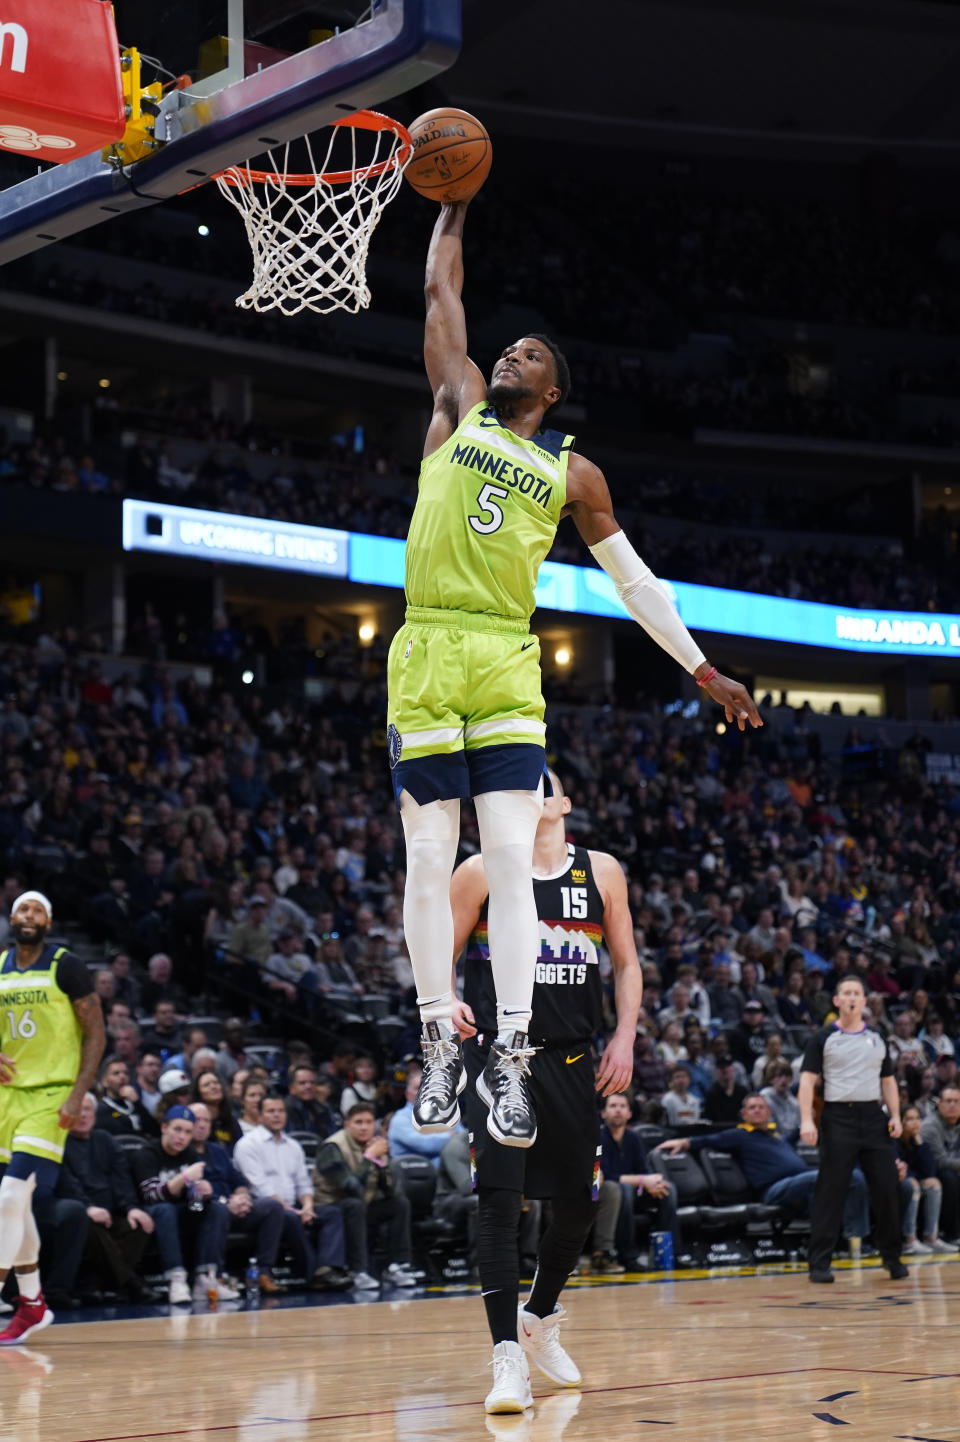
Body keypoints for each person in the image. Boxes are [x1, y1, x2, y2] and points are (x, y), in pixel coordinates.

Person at [391, 200, 761, 1152]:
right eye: (507, 349)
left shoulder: (573, 473)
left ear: (554, 390)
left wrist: (701, 666)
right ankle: (439, 1035)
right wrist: (457, 202)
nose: (510, 357)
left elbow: (634, 579)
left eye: (530, 356)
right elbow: (441, 287)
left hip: (508, 656)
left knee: (512, 863)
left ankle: (507, 1055)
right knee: (434, 861)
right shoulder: (456, 407)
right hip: (428, 646)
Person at [449, 767, 641, 1413]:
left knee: (581, 1205)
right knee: (500, 1205)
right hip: (499, 1057)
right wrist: (443, 1000)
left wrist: (625, 1039)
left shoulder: (603, 871)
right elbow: (434, 953)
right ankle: (506, 1359)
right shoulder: (478, 871)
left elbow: (627, 962)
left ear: (560, 800)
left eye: (536, 782)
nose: (524, 791)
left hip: (576, 1056)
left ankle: (540, 1314)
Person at [0, 889, 105, 1343]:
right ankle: (32, 1304)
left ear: (48, 921)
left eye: (38, 909)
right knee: (17, 1205)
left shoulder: (66, 964)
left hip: (52, 1095)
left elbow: (96, 1034)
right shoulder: (0, 966)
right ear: (11, 917)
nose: (29, 915)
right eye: (23, 908)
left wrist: (78, 1093)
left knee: (7, 1197)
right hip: (7, 1098)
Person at [798, 974, 907, 1283]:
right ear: (836, 1000)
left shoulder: (877, 1037)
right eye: (845, 993)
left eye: (856, 993)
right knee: (830, 1191)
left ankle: (892, 1257)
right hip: (838, 1118)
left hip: (873, 1117)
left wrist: (895, 1116)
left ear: (863, 1001)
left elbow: (888, 1081)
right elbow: (807, 1080)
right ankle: (819, 1263)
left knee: (887, 1187)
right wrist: (807, 1119)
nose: (850, 998)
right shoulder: (822, 1038)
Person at [661, 1092, 869, 1240]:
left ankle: (855, 1239)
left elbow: (790, 1140)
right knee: (821, 1176)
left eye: (761, 1107)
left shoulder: (775, 1137)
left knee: (855, 1176)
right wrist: (684, 1142)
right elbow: (709, 1140)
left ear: (769, 1112)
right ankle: (832, 1239)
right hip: (774, 1190)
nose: (758, 1111)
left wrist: (807, 1122)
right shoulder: (740, 1135)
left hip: (800, 1185)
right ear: (744, 1115)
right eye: (752, 1108)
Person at [233, 1094, 352, 1292]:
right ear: (260, 1115)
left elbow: (303, 1184)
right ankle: (313, 1273)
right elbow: (260, 1187)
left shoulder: (293, 1146)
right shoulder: (248, 1145)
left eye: (280, 1111)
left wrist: (307, 1207)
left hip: (293, 1206)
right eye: (271, 1111)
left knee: (332, 1213)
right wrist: (294, 1210)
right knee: (287, 1215)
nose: (277, 1115)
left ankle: (328, 1268)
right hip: (262, 1209)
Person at [127, 1104, 236, 1304]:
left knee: (216, 1209)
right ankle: (177, 1279)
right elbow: (151, 1195)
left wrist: (202, 1193)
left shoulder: (190, 1154)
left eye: (187, 1132)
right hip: (150, 1213)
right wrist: (184, 1178)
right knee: (165, 1209)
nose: (182, 1137)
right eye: (177, 1130)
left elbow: (192, 1201)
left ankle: (206, 1277)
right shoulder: (147, 1154)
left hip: (181, 1211)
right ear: (164, 1128)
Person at [61, 1093, 158, 1303]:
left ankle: (94, 1282)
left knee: (139, 1225)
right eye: (78, 1109)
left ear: (95, 1115)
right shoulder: (61, 1143)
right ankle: (131, 1284)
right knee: (91, 1228)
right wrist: (87, 1207)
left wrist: (131, 1207)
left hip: (113, 1212)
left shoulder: (106, 1140)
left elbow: (121, 1180)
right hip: (82, 1212)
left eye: (88, 1109)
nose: (83, 1115)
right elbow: (66, 1184)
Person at [314, 1103, 419, 1291]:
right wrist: (369, 1158)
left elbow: (392, 1192)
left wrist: (382, 1164)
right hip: (331, 1208)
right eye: (358, 1122)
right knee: (354, 1204)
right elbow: (350, 1188)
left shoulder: (375, 1145)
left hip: (361, 1205)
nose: (364, 1127)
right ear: (347, 1125)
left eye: (368, 1122)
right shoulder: (331, 1147)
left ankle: (396, 1266)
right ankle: (358, 1271)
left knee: (399, 1204)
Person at [186, 1102, 288, 1295]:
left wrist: (243, 1197)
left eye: (206, 1120)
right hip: (205, 1211)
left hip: (233, 1207)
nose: (202, 1125)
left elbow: (238, 1180)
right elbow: (194, 1193)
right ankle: (215, 1277)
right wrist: (227, 1203)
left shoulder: (217, 1150)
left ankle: (263, 1272)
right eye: (197, 1120)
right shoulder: (184, 1152)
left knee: (273, 1206)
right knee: (218, 1209)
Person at [600, 1092, 679, 1272]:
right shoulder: (598, 1136)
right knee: (623, 1189)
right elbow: (605, 1176)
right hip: (606, 1194)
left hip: (633, 1192)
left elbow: (643, 1170)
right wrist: (643, 1180)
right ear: (604, 1113)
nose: (618, 1110)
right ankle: (628, 1256)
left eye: (622, 1106)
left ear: (629, 1113)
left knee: (668, 1189)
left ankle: (669, 1253)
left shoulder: (634, 1138)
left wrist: (653, 1183)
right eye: (613, 1106)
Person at [898, 1105, 954, 1255]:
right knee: (913, 1186)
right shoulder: (894, 1140)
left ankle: (931, 1237)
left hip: (913, 1180)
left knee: (934, 1184)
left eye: (917, 1118)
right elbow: (895, 1165)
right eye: (910, 1119)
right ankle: (910, 1240)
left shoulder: (919, 1142)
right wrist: (910, 1177)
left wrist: (920, 1144)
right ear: (901, 1122)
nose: (915, 1122)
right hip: (897, 1183)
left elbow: (930, 1171)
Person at [921, 1084, 960, 1244]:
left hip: (954, 1169)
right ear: (939, 1104)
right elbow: (940, 1161)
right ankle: (948, 1232)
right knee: (949, 1178)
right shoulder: (930, 1126)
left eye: (957, 1101)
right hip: (929, 1173)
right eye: (948, 1101)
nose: (953, 1105)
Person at [95, 1055, 159, 1138]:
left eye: (125, 1073)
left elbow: (155, 1131)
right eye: (116, 1073)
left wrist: (137, 1103)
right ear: (105, 1082)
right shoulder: (100, 1110)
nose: (122, 1077)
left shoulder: (135, 1104)